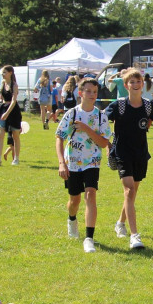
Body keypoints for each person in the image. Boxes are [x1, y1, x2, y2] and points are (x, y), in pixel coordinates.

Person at [55, 77, 112, 253]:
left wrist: (86, 128)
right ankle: (72, 219)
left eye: (95, 92)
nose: (92, 95)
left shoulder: (101, 116)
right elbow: (59, 137)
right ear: (80, 93)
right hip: (72, 162)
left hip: (92, 162)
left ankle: (89, 238)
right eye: (88, 91)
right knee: (74, 200)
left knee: (90, 195)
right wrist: (61, 163)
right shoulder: (71, 114)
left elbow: (103, 143)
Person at [105, 68, 153, 250]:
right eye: (131, 82)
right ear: (125, 86)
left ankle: (120, 222)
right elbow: (101, 119)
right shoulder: (118, 105)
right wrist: (106, 142)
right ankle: (134, 236)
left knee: (133, 193)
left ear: (143, 84)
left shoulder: (149, 105)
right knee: (128, 191)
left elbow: (147, 124)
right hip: (122, 153)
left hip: (141, 153)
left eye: (138, 81)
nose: (135, 85)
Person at [0, 66, 22, 166]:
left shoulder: (14, 85)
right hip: (3, 108)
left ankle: (16, 159)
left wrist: (7, 113)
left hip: (13, 111)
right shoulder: (3, 84)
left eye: (5, 72)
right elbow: (1, 99)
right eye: (2, 72)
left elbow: (13, 101)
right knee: (0, 135)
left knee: (15, 136)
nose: (3, 74)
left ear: (10, 73)